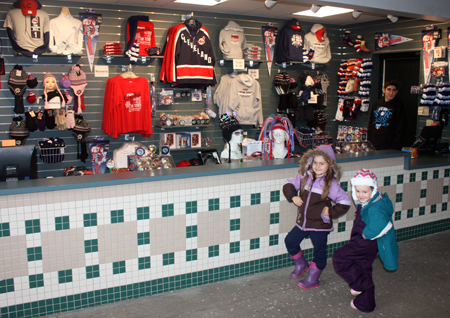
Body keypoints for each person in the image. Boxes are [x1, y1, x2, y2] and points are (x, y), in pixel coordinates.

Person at [283, 145, 351, 289]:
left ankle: (313, 278)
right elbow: (288, 184)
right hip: (303, 222)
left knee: (319, 251)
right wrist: (293, 196)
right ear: (310, 162)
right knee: (290, 241)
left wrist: (330, 211)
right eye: (315, 162)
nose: (318, 166)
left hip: (320, 225)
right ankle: (301, 264)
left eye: (322, 163)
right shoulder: (305, 178)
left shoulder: (330, 184)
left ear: (329, 165)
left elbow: (345, 201)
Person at [332, 169, 399, 313]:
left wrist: (365, 235)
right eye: (357, 191)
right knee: (362, 267)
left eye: (364, 192)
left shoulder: (375, 208)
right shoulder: (372, 201)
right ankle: (365, 304)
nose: (360, 195)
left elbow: (382, 224)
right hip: (369, 244)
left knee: (340, 258)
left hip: (365, 243)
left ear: (374, 189)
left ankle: (360, 285)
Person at [367, 80, 407, 150]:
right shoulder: (377, 103)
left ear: (396, 92)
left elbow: (400, 128)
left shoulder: (399, 106)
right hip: (374, 143)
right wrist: (368, 141)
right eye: (389, 89)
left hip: (389, 145)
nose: (391, 93)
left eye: (394, 90)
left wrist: (395, 146)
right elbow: (371, 123)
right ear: (384, 90)